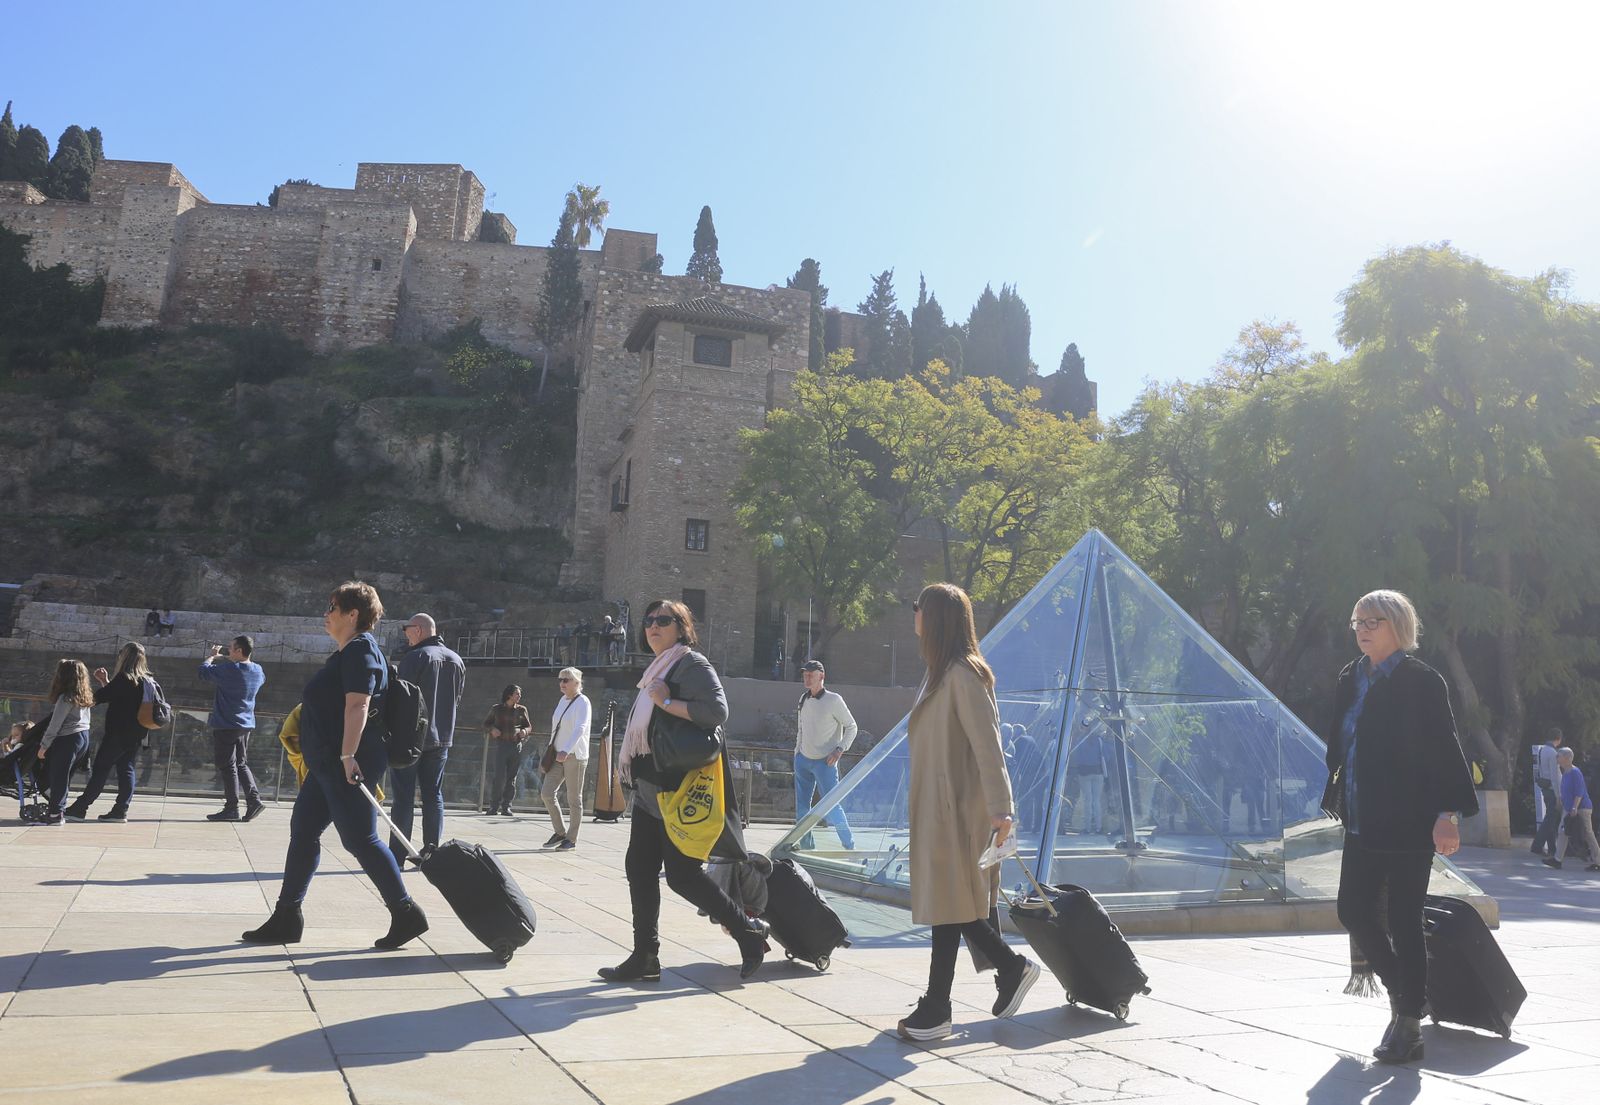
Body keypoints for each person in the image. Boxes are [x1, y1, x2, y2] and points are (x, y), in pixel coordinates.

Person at [1324, 590, 1478, 1064]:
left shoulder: (1421, 681)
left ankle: (1408, 1027)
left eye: (1373, 621)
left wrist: (1447, 814)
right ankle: (1408, 998)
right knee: (1352, 909)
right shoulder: (1351, 677)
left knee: (1405, 921)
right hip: (1361, 817)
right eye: (1357, 622)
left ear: (1398, 625)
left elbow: (1445, 749)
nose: (1362, 629)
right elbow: (1343, 742)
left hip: (1409, 820)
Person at [241, 581, 428, 949]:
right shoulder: (347, 653)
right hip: (327, 762)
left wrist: (347, 756)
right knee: (304, 830)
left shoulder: (361, 651)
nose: (326, 615)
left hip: (347, 761)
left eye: (332, 607)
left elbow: (357, 705)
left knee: (361, 839)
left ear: (352, 614)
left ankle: (406, 913)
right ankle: (287, 916)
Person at [599, 598, 771, 983]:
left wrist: (668, 701)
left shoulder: (691, 664)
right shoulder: (657, 668)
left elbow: (717, 711)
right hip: (650, 786)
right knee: (639, 869)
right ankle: (645, 956)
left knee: (681, 874)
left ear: (682, 628)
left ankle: (748, 932)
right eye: (648, 621)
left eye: (664, 620)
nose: (653, 626)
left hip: (676, 789)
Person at [897, 583, 1039, 1042]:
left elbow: (989, 746)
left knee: (952, 902)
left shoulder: (963, 673)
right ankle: (948, 1000)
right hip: (940, 808)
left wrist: (1002, 810)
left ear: (934, 617)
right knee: (950, 904)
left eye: (918, 607)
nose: (913, 614)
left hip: (960, 809)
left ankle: (980, 983)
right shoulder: (939, 672)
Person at [389, 613, 464, 865]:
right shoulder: (457, 660)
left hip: (412, 738)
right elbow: (456, 701)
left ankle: (398, 855)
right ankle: (432, 854)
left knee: (403, 798)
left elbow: (400, 698)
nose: (405, 633)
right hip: (442, 738)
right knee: (434, 795)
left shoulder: (415, 657)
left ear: (419, 630)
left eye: (406, 628)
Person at [66, 643, 153, 823]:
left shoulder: (124, 678)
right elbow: (119, 698)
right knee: (126, 769)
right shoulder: (145, 680)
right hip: (137, 733)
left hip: (118, 734)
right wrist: (105, 682)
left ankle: (80, 808)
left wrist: (72, 696)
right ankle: (120, 810)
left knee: (100, 769)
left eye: (121, 653)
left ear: (125, 657)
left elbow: (96, 699)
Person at [200, 635, 267, 822]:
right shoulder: (258, 670)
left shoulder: (229, 669)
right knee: (241, 763)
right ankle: (254, 800)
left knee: (227, 765)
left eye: (230, 648)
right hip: (245, 724)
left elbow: (203, 672)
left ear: (239, 650)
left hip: (226, 724)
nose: (228, 651)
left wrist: (212, 656)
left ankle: (232, 808)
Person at [793, 659, 858, 851]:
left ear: (821, 676)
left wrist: (840, 750)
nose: (807, 678)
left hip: (825, 763)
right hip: (803, 760)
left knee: (832, 807)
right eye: (805, 674)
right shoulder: (803, 699)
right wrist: (796, 753)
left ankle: (849, 845)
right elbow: (801, 728)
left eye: (811, 674)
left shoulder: (834, 700)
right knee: (802, 809)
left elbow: (852, 727)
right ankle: (806, 847)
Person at [36, 659, 94, 826]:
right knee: (65, 777)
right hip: (83, 737)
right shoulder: (84, 696)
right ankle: (58, 809)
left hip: (67, 739)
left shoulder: (65, 698)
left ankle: (55, 813)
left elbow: (55, 724)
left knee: (58, 777)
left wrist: (44, 746)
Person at [542, 667, 592, 850]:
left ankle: (571, 838)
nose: (562, 683)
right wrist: (550, 753)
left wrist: (566, 750)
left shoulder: (583, 702)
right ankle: (560, 831)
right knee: (546, 793)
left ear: (577, 683)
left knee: (574, 799)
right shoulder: (562, 700)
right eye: (560, 679)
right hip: (556, 755)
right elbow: (556, 728)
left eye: (566, 680)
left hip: (574, 756)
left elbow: (580, 728)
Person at [1544, 747, 1600, 871]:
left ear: (1567, 758)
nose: (1556, 758)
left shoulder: (1575, 772)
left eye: (1559, 756)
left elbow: (1579, 791)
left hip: (1581, 809)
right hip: (1568, 809)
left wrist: (1575, 807)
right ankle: (1557, 859)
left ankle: (1598, 861)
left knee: (1587, 834)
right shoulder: (1565, 772)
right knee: (1562, 831)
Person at [483, 685, 532, 815]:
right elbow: (486, 723)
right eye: (517, 694)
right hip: (501, 745)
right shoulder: (497, 709)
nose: (519, 696)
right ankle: (494, 806)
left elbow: (528, 726)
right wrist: (492, 729)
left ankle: (506, 806)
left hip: (516, 746)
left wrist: (524, 731)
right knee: (498, 777)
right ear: (509, 695)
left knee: (512, 777)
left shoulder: (522, 710)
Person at [1531, 728, 1564, 859]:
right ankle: (1537, 845)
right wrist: (1558, 794)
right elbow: (1555, 775)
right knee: (1551, 818)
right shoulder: (1552, 753)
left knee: (1551, 818)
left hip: (1545, 786)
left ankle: (1552, 847)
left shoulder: (1542, 750)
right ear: (1559, 739)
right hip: (1552, 789)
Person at [1070, 730, 1109, 834]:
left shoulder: (1080, 740)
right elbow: (1106, 756)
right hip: (1098, 772)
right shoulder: (1099, 741)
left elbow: (1077, 757)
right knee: (1096, 801)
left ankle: (1087, 827)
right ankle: (1098, 827)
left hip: (1084, 772)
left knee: (1087, 800)